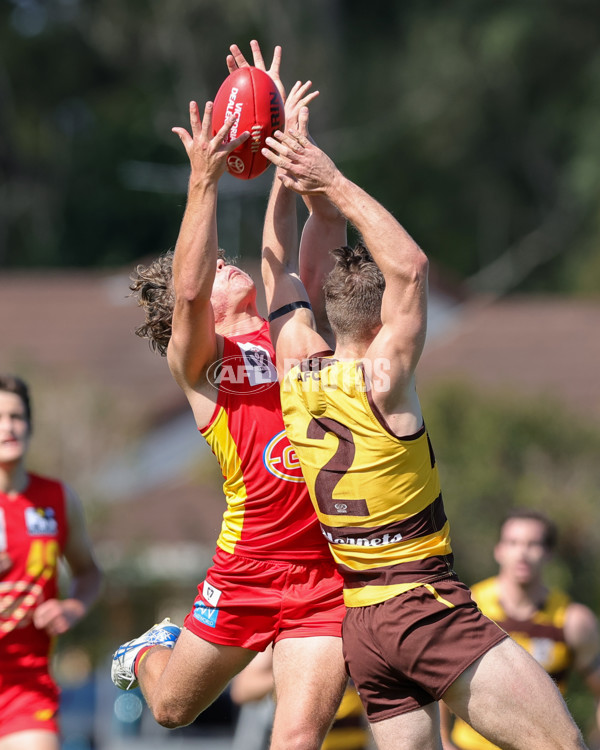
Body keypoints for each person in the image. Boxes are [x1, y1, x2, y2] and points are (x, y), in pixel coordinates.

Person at [259, 110, 589, 750]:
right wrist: (327, 176)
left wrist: (282, 165)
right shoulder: (385, 376)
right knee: (562, 743)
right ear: (386, 316)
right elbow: (409, 266)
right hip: (422, 606)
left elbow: (281, 273)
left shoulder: (295, 364)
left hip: (363, 621)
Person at [110, 42, 349, 750]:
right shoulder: (203, 365)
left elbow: (293, 231)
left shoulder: (286, 322)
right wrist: (203, 181)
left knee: (299, 737)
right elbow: (186, 288)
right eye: (216, 268)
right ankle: (149, 649)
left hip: (321, 569)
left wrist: (279, 132)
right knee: (171, 711)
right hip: (245, 567)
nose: (226, 265)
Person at [440, 508, 600, 750]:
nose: (522, 554)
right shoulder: (469, 607)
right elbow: (436, 680)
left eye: (533, 544)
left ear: (549, 554)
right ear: (499, 550)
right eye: (513, 543)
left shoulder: (573, 620)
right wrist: (442, 740)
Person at [0, 374, 103, 750]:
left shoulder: (57, 498)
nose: (8, 427)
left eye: (16, 416)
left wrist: (72, 607)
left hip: (27, 688)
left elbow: (88, 572)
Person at [230, 645, 371, 750]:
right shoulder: (286, 632)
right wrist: (299, 674)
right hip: (292, 740)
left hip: (352, 743)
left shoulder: (354, 625)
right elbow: (243, 689)